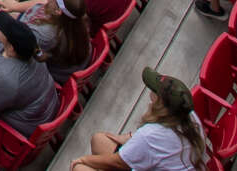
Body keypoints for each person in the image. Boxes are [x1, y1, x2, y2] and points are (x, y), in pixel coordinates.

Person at [70, 68, 209, 171]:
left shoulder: (150, 135)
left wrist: (83, 159)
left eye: (155, 92)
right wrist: (131, 139)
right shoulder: (190, 116)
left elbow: (117, 162)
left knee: (79, 168)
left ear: (160, 104)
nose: (151, 93)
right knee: (99, 140)